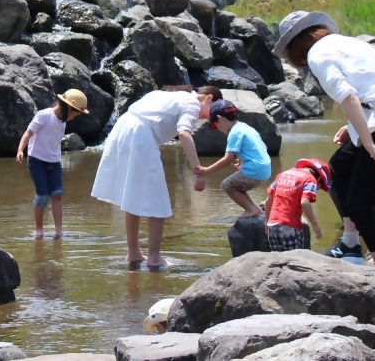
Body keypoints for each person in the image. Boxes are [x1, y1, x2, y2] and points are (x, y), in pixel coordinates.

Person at [274, 11, 375, 273]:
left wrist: (371, 146)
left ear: (294, 47)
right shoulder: (352, 44)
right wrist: (352, 128)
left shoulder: (318, 55)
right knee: (339, 165)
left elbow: (350, 98)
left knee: (360, 206)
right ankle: (349, 244)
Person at [91, 85, 223, 270]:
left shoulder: (167, 94)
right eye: (212, 111)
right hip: (140, 135)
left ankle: (134, 252)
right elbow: (184, 133)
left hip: (122, 130)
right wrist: (197, 171)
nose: (209, 117)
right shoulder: (191, 103)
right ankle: (154, 257)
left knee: (133, 195)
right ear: (208, 98)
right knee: (158, 199)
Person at [16, 89, 89, 239]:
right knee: (43, 196)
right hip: (37, 161)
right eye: (75, 114)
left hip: (54, 162)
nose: (74, 118)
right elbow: (28, 132)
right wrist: (20, 150)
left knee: (57, 195)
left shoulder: (62, 121)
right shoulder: (44, 115)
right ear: (68, 107)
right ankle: (39, 230)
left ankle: (59, 232)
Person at [196, 100, 270, 219]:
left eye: (215, 125)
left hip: (254, 170)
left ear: (220, 118)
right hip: (265, 170)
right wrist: (243, 159)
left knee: (227, 185)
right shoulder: (247, 127)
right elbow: (263, 147)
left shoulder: (234, 132)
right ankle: (255, 209)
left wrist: (206, 170)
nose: (218, 129)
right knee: (237, 185)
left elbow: (227, 159)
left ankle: (250, 209)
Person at [263, 158, 331, 252]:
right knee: (294, 259)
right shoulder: (310, 179)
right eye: (318, 188)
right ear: (319, 179)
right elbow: (305, 202)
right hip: (290, 226)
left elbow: (267, 202)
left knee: (277, 260)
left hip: (272, 225)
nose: (316, 190)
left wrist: (267, 221)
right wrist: (315, 226)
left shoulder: (283, 174)